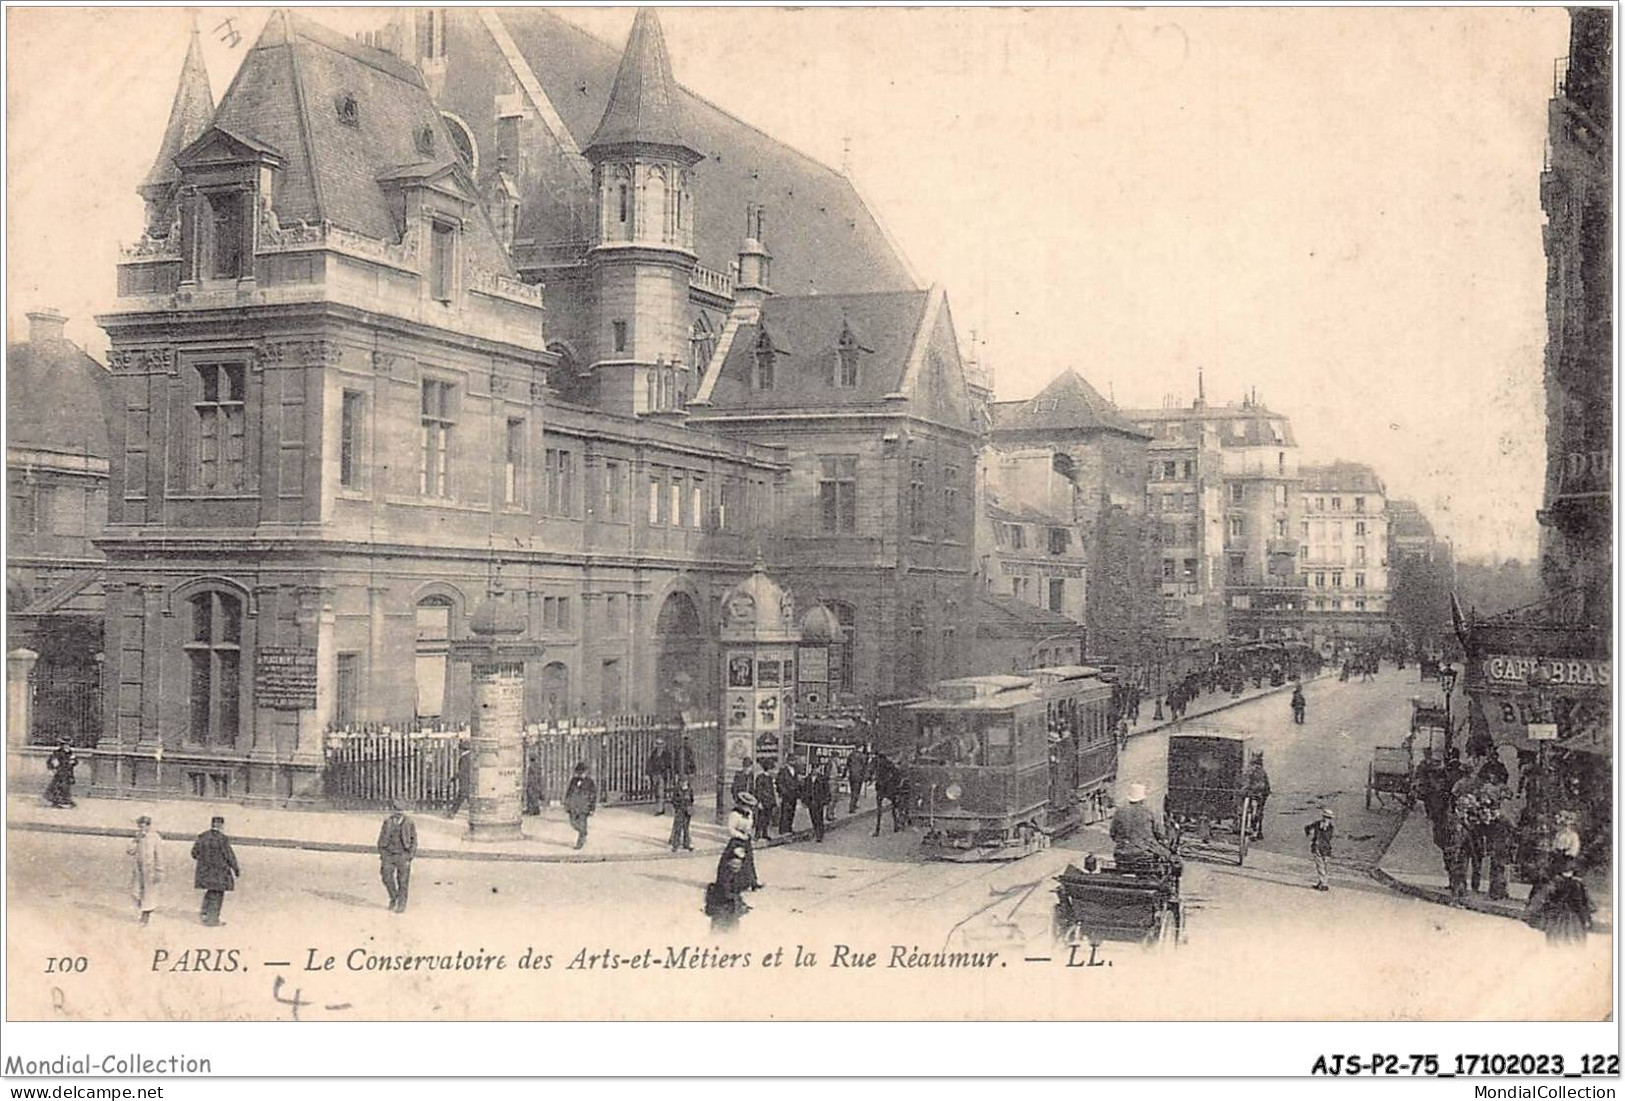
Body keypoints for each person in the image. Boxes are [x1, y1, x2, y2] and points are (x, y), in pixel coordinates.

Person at [1109, 783, 1173, 871]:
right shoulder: (1149, 812)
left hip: (1121, 854)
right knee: (1170, 858)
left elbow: (1113, 833)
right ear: (1143, 800)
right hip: (1143, 854)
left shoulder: (1119, 812)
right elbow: (1160, 834)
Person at [1527, 862, 1594, 946]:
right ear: (1572, 872)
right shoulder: (1576, 884)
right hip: (1571, 916)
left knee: (1553, 937)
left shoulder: (1554, 882)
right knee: (1571, 938)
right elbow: (1580, 903)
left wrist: (1536, 909)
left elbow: (1543, 897)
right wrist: (1586, 917)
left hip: (1556, 915)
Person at [190, 816, 240, 927]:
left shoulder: (203, 836)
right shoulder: (223, 839)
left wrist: (204, 860)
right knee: (217, 894)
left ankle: (204, 912)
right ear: (221, 825)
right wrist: (236, 869)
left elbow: (194, 853)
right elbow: (229, 856)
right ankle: (212, 920)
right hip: (219, 872)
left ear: (212, 824)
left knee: (210, 891)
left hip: (205, 871)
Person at [377, 799, 418, 913]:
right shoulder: (388, 822)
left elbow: (414, 841)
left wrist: (410, 856)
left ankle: (401, 903)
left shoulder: (409, 823)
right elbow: (381, 838)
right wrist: (382, 852)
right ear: (392, 810)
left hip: (403, 855)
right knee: (386, 877)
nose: (398, 812)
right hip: (389, 854)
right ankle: (394, 897)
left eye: (400, 810)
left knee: (403, 880)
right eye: (396, 810)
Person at [705, 840, 752, 934]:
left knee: (731, 930)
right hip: (722, 907)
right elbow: (726, 891)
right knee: (720, 931)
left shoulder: (734, 873)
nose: (737, 867)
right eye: (735, 865)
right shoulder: (726, 874)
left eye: (739, 865)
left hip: (729, 908)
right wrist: (737, 900)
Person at [128, 815, 163, 926]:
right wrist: (136, 841)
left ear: (148, 826)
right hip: (138, 869)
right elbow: (130, 851)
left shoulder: (155, 837)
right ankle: (144, 909)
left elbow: (159, 855)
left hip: (150, 869)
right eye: (140, 827)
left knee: (149, 892)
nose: (142, 829)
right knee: (136, 891)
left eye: (144, 826)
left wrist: (159, 870)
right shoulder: (138, 836)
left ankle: (145, 915)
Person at [729, 791, 762, 890]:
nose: (749, 808)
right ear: (741, 804)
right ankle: (734, 884)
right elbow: (731, 829)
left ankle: (752, 881)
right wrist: (740, 835)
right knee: (736, 862)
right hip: (737, 841)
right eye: (747, 805)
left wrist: (749, 833)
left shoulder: (749, 813)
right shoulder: (734, 814)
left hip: (746, 840)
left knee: (749, 860)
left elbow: (750, 825)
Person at [563, 762, 597, 850]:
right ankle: (584, 833)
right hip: (574, 806)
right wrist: (567, 804)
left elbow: (593, 796)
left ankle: (580, 842)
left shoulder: (590, 782)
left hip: (584, 807)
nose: (581, 774)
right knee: (573, 823)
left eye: (583, 773)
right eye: (579, 773)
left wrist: (592, 808)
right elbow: (569, 793)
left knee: (582, 824)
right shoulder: (573, 780)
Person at [1304, 808, 1335, 891]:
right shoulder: (1317, 824)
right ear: (1323, 816)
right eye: (1325, 817)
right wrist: (1309, 833)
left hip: (1326, 848)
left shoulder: (1330, 828)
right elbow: (1307, 828)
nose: (1326, 819)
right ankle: (1323, 883)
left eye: (1328, 818)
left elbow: (1329, 837)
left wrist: (1323, 829)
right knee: (1320, 865)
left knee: (1324, 866)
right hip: (1317, 847)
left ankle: (1322, 883)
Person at [1245, 754, 1272, 840]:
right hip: (1261, 793)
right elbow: (1267, 785)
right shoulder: (1263, 772)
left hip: (1254, 792)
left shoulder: (1250, 770)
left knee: (1253, 811)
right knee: (1259, 811)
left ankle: (1253, 829)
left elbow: (1247, 782)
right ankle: (1258, 831)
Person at [44, 741, 77, 808]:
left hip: (68, 772)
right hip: (60, 772)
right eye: (65, 745)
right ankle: (58, 801)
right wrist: (53, 768)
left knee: (66, 786)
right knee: (59, 786)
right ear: (62, 746)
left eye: (68, 745)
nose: (67, 746)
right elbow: (51, 761)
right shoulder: (57, 753)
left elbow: (75, 761)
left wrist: (73, 761)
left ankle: (64, 800)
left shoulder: (70, 753)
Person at [751, 760, 778, 841]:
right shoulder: (760, 777)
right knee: (760, 819)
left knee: (767, 818)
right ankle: (757, 834)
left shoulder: (769, 778)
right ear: (768, 769)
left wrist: (774, 802)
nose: (773, 771)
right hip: (763, 802)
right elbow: (758, 790)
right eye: (771, 769)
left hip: (769, 802)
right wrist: (759, 802)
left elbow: (772, 791)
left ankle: (765, 833)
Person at [805, 763, 832, 843]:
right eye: (816, 769)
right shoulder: (808, 779)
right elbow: (805, 790)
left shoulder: (822, 779)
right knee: (813, 817)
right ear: (813, 769)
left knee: (819, 818)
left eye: (818, 769)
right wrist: (804, 800)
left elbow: (826, 790)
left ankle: (820, 835)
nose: (817, 770)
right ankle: (816, 832)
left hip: (819, 801)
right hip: (811, 801)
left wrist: (826, 800)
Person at [646, 738, 673, 815]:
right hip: (654, 774)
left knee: (660, 792)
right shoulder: (653, 754)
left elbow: (669, 765)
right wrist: (648, 773)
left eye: (661, 744)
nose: (659, 746)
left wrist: (669, 774)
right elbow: (649, 764)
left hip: (662, 774)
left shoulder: (666, 754)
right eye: (658, 744)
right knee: (656, 792)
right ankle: (659, 807)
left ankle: (660, 809)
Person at [775, 760, 802, 835]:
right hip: (786, 795)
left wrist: (798, 791)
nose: (794, 762)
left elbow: (797, 782)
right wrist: (784, 792)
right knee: (785, 812)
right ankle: (783, 830)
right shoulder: (783, 771)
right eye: (792, 760)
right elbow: (779, 782)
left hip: (794, 794)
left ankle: (789, 828)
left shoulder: (795, 771)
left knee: (792, 811)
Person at [668, 776, 695, 852]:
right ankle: (675, 845)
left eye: (685, 782)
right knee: (678, 828)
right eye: (682, 782)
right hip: (680, 810)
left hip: (687, 811)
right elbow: (673, 800)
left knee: (686, 828)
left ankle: (686, 843)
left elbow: (692, 799)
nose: (683, 783)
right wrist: (678, 807)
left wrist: (689, 806)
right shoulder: (677, 790)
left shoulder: (689, 790)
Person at [845, 744, 871, 814]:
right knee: (856, 792)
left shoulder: (851, 755)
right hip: (859, 776)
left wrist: (844, 774)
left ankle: (854, 804)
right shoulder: (862, 756)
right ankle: (852, 807)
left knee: (853, 791)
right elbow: (865, 766)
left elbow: (847, 765)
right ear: (861, 747)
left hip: (851, 775)